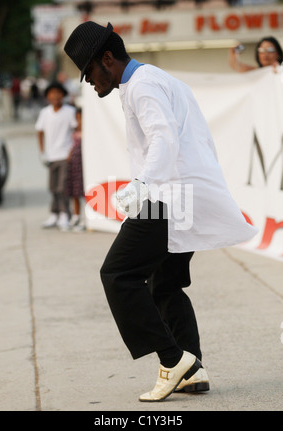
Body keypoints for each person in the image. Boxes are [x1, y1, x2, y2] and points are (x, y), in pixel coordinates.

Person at [64, 21, 258, 402]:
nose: (87, 81)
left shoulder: (143, 85)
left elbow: (164, 137)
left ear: (107, 58)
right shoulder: (149, 80)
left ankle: (173, 360)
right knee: (165, 284)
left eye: (88, 71)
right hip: (181, 194)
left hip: (166, 197)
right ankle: (193, 369)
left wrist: (142, 185)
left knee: (117, 274)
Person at [35, 81, 77, 230]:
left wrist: (72, 151)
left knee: (62, 187)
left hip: (65, 155)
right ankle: (55, 213)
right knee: (53, 187)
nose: (55, 96)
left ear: (63, 95)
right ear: (48, 96)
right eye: (52, 93)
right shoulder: (45, 113)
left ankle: (65, 214)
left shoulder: (69, 111)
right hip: (51, 155)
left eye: (58, 93)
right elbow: (39, 131)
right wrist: (42, 152)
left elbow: (76, 130)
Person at [66, 108, 85, 231]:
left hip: (83, 164)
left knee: (84, 191)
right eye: (77, 118)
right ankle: (76, 215)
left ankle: (85, 217)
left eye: (81, 118)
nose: (79, 121)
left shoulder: (87, 133)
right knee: (75, 192)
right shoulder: (74, 133)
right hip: (74, 164)